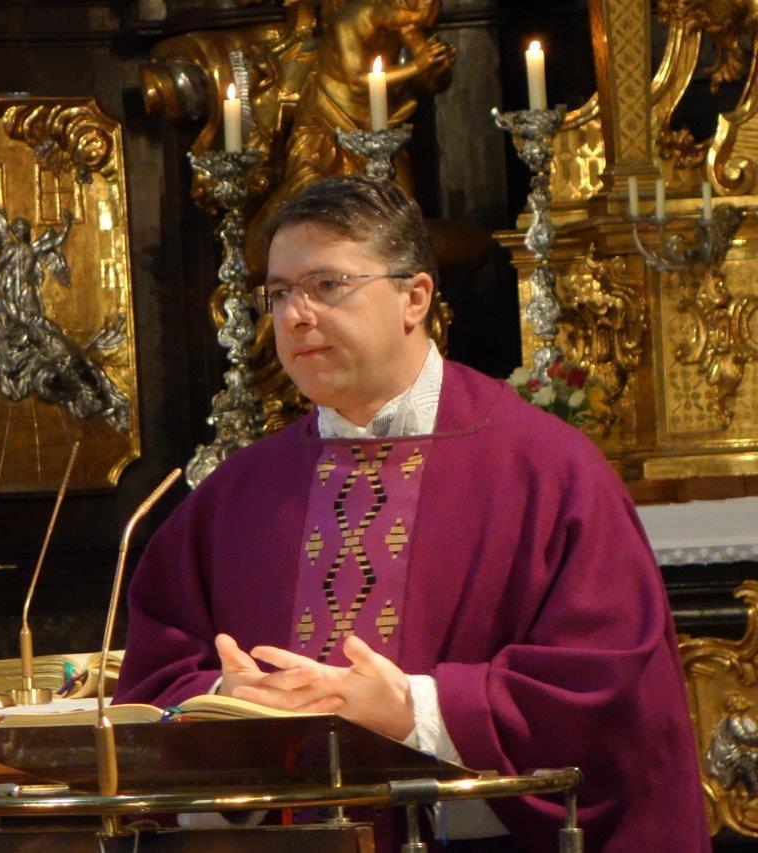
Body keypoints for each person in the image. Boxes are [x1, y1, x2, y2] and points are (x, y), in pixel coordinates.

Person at [113, 175, 709, 850]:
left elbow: (610, 692)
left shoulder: (547, 471)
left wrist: (412, 711)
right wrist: (228, 705)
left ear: (415, 297)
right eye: (278, 293)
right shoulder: (236, 494)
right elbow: (154, 683)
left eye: (327, 284)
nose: (295, 315)